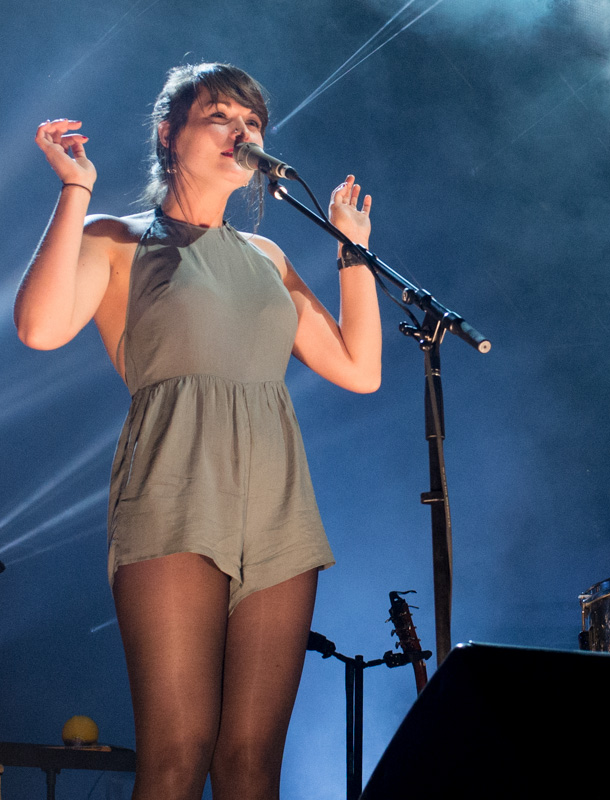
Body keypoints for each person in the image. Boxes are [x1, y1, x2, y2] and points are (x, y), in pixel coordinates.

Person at [14, 63, 382, 799]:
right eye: (220, 117)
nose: (241, 134)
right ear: (168, 134)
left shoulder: (268, 256)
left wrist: (352, 250)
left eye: (253, 125)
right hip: (175, 488)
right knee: (179, 751)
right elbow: (40, 326)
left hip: (277, 500)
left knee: (251, 765)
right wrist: (75, 189)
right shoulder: (119, 237)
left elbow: (359, 368)